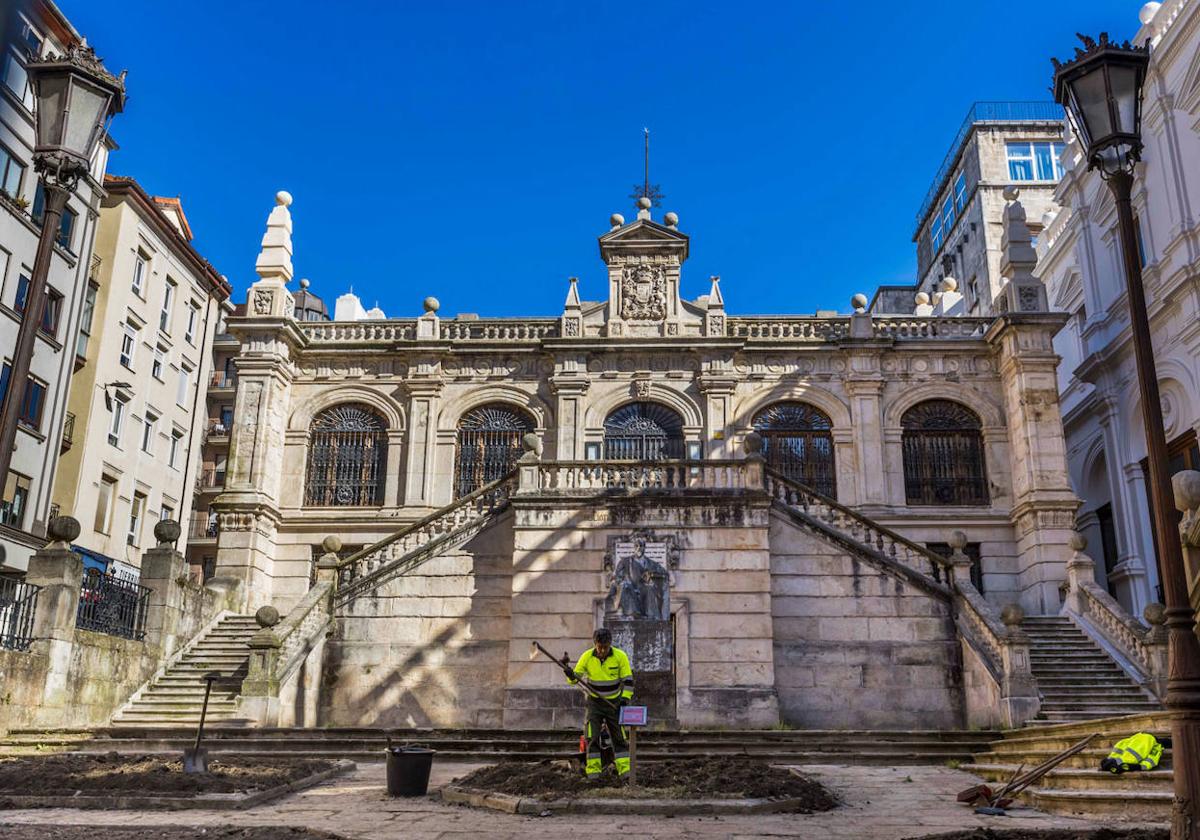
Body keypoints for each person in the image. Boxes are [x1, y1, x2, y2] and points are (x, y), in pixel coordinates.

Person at [565, 627, 634, 780]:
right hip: (595, 703)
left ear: (610, 644)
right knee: (592, 737)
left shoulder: (620, 656)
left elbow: (628, 681)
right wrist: (569, 674)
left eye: (605, 647)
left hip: (614, 703)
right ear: (595, 644)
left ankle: (626, 773)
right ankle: (594, 774)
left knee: (619, 738)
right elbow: (574, 679)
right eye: (600, 646)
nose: (602, 650)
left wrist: (624, 699)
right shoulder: (587, 657)